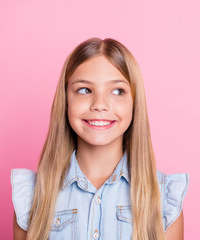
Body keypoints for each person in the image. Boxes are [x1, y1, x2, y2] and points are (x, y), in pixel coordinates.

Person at [11, 37, 189, 240]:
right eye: (84, 90)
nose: (100, 104)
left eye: (117, 91)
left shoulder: (164, 199)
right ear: (66, 101)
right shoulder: (32, 197)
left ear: (134, 103)